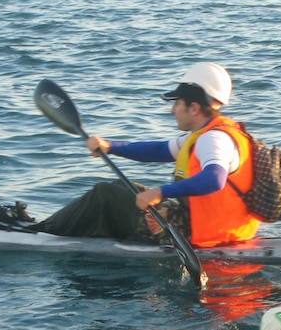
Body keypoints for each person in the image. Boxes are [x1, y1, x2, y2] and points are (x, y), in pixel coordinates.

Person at [28, 63, 261, 248]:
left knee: (105, 194)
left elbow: (214, 179)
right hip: (222, 230)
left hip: (197, 234)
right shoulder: (214, 133)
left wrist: (160, 192)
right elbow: (158, 150)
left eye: (177, 103)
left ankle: (41, 232)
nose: (173, 110)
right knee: (126, 189)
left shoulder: (213, 139)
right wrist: (110, 146)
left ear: (195, 108)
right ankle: (57, 227)